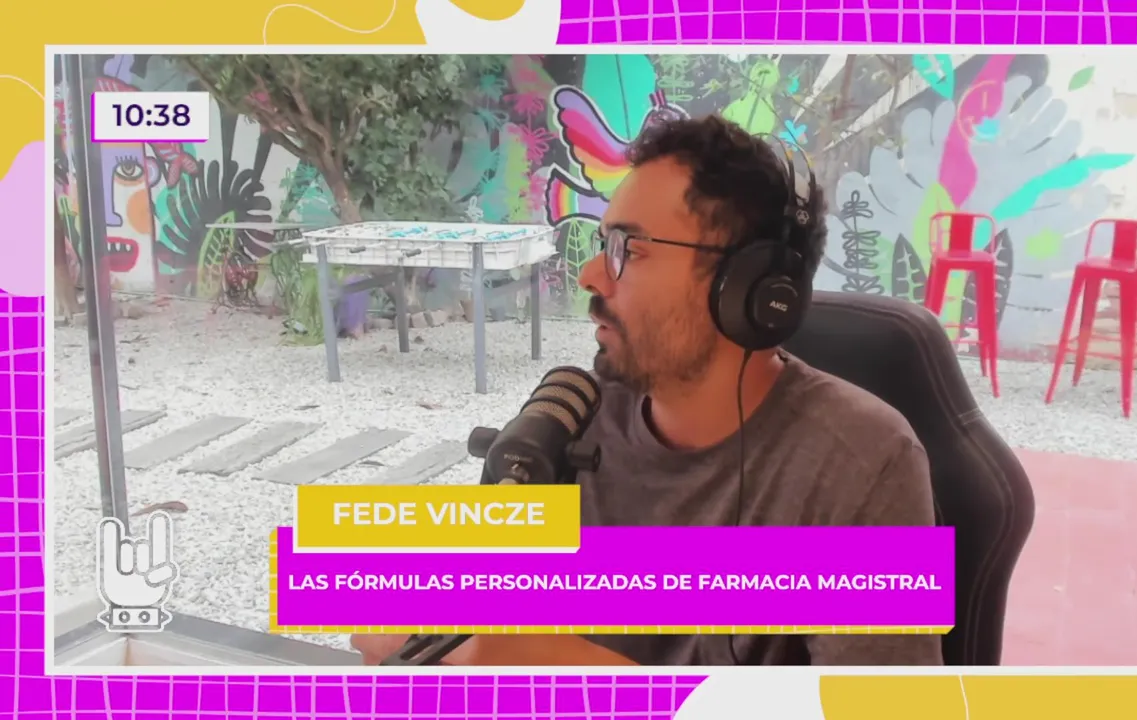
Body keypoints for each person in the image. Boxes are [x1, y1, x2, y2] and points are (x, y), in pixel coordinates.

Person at [353, 115, 942, 667]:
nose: (589, 275)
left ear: (751, 290)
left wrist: (555, 666)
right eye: (602, 244)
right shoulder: (576, 416)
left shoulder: (862, 461)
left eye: (628, 250)